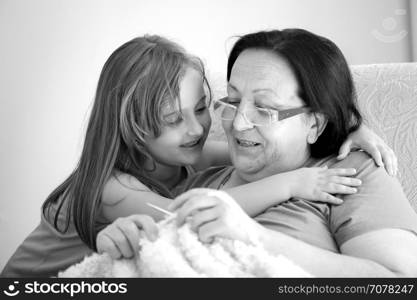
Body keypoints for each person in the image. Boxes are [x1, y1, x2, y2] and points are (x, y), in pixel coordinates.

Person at [1, 34, 397, 277]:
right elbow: (183, 213)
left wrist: (348, 124)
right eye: (173, 119)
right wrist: (293, 183)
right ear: (133, 130)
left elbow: (274, 140)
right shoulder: (113, 188)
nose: (197, 129)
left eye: (204, 107)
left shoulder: (184, 151)